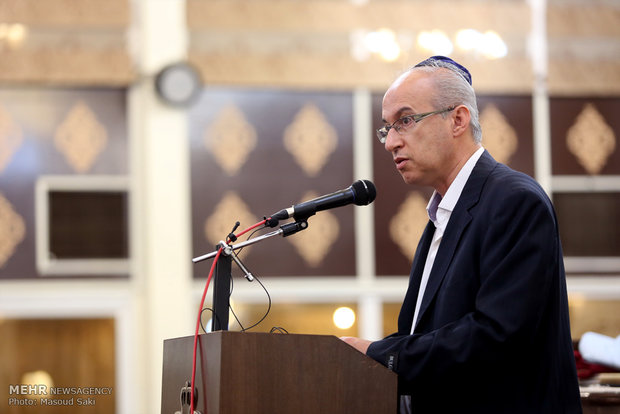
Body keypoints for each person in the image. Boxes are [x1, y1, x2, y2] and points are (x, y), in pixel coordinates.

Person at [341, 56, 582, 413]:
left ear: (458, 120)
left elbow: (496, 337)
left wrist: (379, 354)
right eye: (386, 128)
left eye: (404, 121)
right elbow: (426, 337)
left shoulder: (514, 200)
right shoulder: (442, 216)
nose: (391, 142)